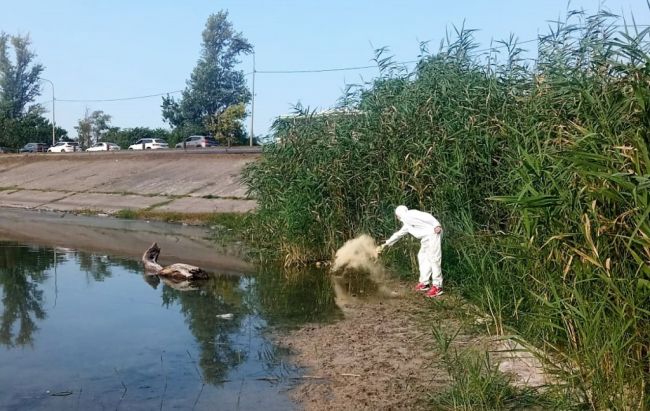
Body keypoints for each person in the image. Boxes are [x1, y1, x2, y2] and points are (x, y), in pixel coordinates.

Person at [376, 205, 443, 298]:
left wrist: (436, 225)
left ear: (398, 214)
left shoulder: (411, 214)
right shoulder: (407, 224)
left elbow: (426, 216)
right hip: (426, 238)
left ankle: (437, 286)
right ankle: (424, 283)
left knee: (434, 259)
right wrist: (385, 244)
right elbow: (398, 235)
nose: (397, 218)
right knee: (422, 257)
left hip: (433, 234)